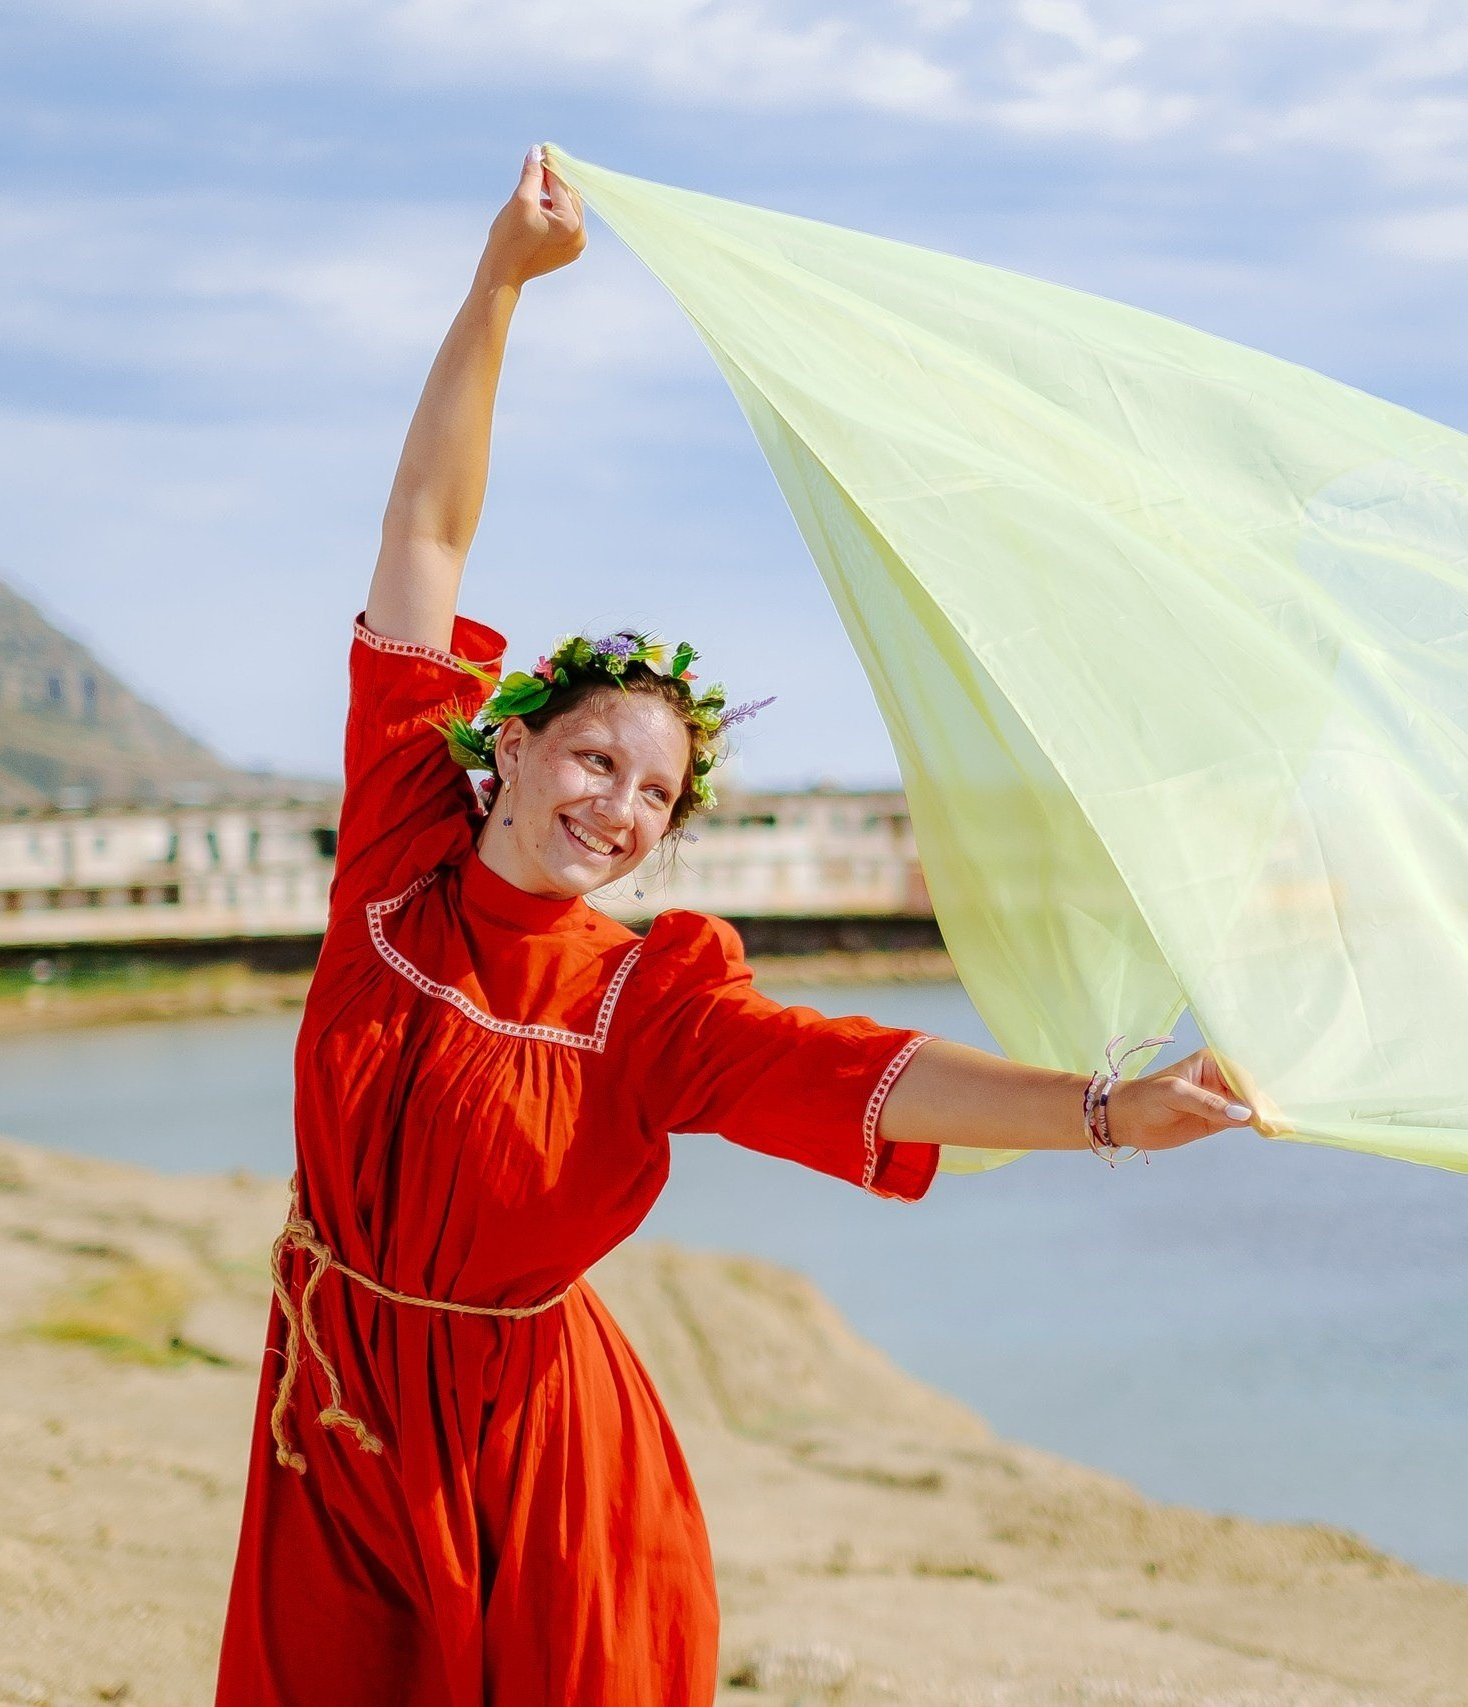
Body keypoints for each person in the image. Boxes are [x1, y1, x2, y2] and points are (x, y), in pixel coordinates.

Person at [214, 147, 1277, 1707]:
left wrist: (1111, 1112)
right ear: (514, 742)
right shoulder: (395, 845)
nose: (618, 809)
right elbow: (427, 534)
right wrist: (500, 282)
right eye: (597, 760)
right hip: (336, 1400)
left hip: (532, 1464)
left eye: (656, 795)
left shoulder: (645, 1000)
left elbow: (858, 1074)